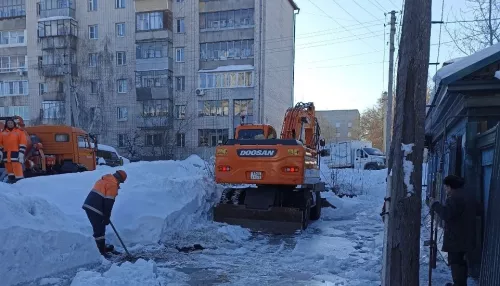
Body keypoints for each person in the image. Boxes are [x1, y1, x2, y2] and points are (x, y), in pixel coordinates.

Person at [429, 175, 474, 286]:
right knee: (461, 262)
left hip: (456, 237)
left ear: (450, 186)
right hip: (466, 234)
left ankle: (459, 284)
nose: (445, 189)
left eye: (446, 187)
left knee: (456, 263)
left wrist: (435, 204)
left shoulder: (455, 198)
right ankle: (460, 283)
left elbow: (447, 214)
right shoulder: (467, 194)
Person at [82, 170, 127, 257]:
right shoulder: (113, 185)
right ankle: (102, 252)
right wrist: (107, 216)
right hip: (95, 208)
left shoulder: (104, 180)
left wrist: (105, 215)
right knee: (99, 228)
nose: (120, 184)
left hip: (89, 205)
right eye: (120, 182)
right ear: (119, 179)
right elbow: (108, 202)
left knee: (99, 228)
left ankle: (101, 248)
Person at [0, 118, 27, 184]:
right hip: (7, 157)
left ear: (14, 123)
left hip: (16, 155)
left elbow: (23, 143)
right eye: (8, 123)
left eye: (11, 123)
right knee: (10, 173)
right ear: (6, 124)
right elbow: (0, 144)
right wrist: (1, 152)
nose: (10, 124)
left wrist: (21, 154)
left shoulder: (19, 132)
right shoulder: (2, 133)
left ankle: (20, 185)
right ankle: (11, 186)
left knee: (18, 173)